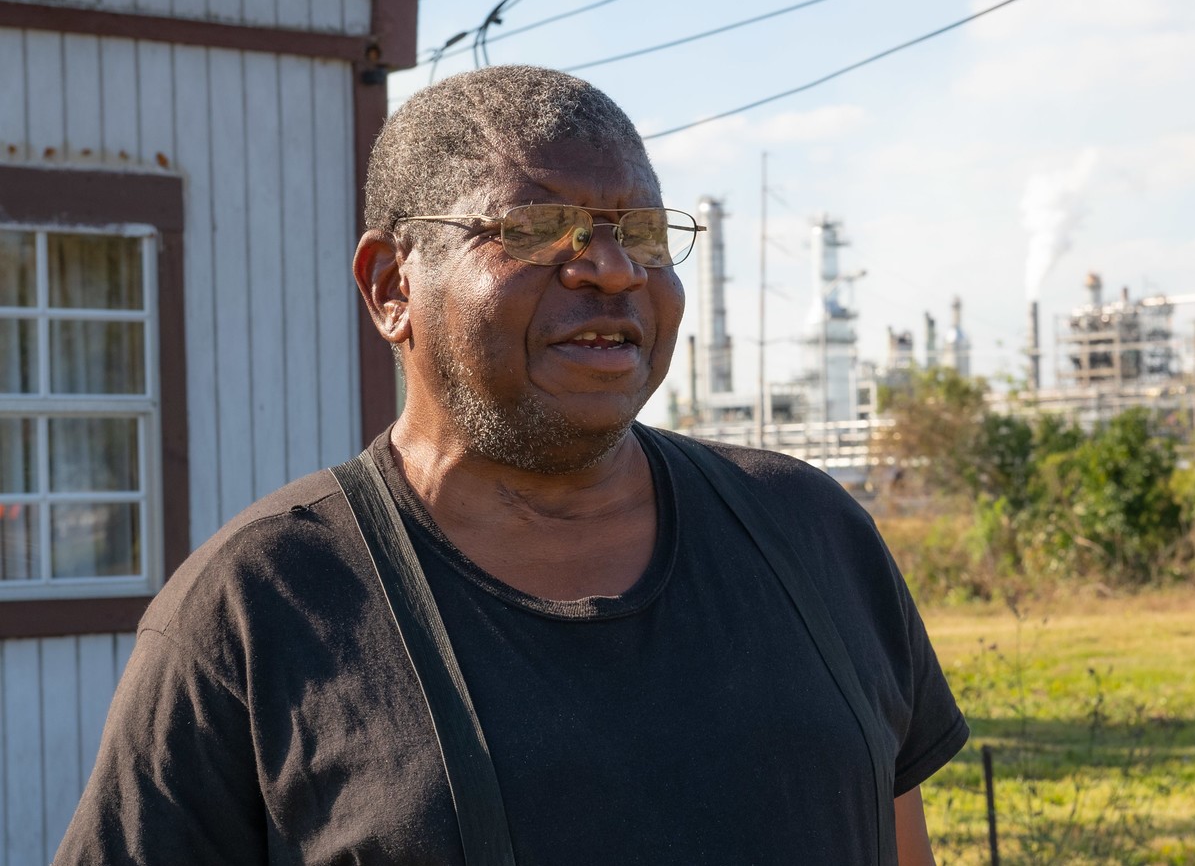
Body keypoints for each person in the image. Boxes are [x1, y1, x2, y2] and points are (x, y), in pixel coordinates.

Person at [56, 65, 967, 865]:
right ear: (391, 286)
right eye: (540, 228)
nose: (612, 269)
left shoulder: (808, 534)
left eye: (642, 231)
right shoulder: (259, 608)